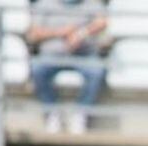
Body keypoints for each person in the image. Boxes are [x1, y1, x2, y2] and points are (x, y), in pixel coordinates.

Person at [26, 0, 107, 135]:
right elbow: (33, 34)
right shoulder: (44, 4)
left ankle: (81, 114)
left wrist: (81, 34)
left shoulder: (92, 4)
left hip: (84, 55)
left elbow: (102, 22)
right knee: (37, 69)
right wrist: (61, 32)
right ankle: (52, 112)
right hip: (52, 55)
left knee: (97, 71)